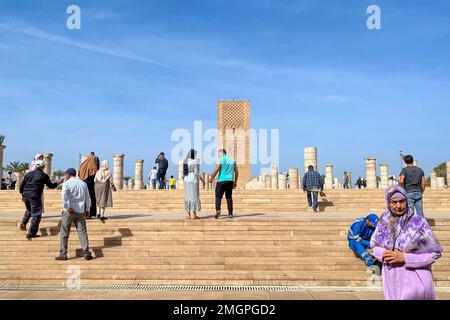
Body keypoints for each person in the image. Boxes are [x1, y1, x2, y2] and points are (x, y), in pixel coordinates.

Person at [371, 185, 442, 300]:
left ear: (407, 202)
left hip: (416, 283)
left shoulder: (418, 222)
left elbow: (434, 254)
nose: (398, 206)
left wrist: (405, 258)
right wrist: (383, 253)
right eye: (394, 202)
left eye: (402, 201)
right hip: (391, 281)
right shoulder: (384, 221)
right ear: (388, 203)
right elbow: (374, 246)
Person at [55, 168, 93, 261]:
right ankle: (86, 252)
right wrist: (87, 209)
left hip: (69, 211)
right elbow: (88, 197)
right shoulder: (83, 183)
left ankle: (63, 254)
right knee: (82, 232)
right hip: (80, 211)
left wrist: (68, 207)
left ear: (68, 174)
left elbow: (63, 196)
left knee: (64, 232)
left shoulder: (66, 183)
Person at [19, 160, 63, 239]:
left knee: (29, 210)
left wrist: (23, 195)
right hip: (35, 196)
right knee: (36, 215)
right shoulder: (44, 175)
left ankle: (23, 223)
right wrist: (58, 183)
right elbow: (51, 186)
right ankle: (31, 233)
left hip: (26, 195)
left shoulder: (28, 174)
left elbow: (21, 186)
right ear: (43, 167)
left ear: (36, 166)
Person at [210, 149, 238, 219]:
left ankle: (218, 210)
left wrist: (211, 177)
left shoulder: (220, 159)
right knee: (229, 197)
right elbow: (237, 172)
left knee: (218, 196)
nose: (218, 156)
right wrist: (235, 181)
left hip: (221, 181)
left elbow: (217, 169)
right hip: (230, 181)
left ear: (221, 153)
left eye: (218, 154)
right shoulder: (232, 161)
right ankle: (230, 213)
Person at [183, 149, 205, 219]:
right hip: (193, 179)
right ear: (194, 155)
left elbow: (184, 174)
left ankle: (189, 214)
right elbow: (197, 172)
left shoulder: (185, 161)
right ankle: (193, 214)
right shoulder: (196, 161)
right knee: (194, 196)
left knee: (188, 196)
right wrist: (202, 180)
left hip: (186, 180)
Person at [79, 154, 99, 219]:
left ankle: (83, 214)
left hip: (83, 185)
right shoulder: (93, 167)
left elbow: (79, 174)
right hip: (90, 186)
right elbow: (95, 177)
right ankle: (89, 214)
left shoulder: (82, 165)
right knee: (91, 199)